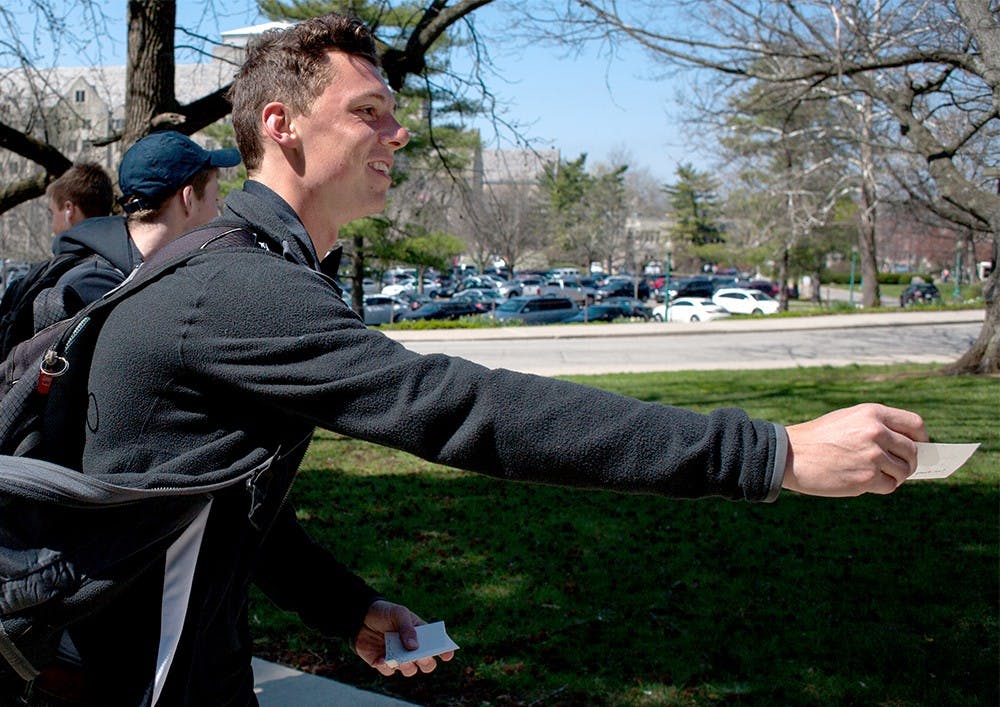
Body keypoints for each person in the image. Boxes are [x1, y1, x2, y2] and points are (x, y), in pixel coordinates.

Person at [64, 14, 926, 706]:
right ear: (281, 126)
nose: (396, 135)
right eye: (369, 112)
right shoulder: (239, 286)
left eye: (394, 115)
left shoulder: (257, 267)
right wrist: (769, 453)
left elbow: (223, 502)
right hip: (146, 677)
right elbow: (460, 407)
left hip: (177, 658)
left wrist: (347, 608)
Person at [36, 132, 240, 328]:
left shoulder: (134, 273)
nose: (218, 215)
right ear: (187, 200)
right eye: (215, 200)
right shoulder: (93, 291)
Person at [45, 162, 114, 236]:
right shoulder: (121, 242)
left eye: (52, 214)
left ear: (69, 209)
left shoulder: (65, 246)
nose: (52, 226)